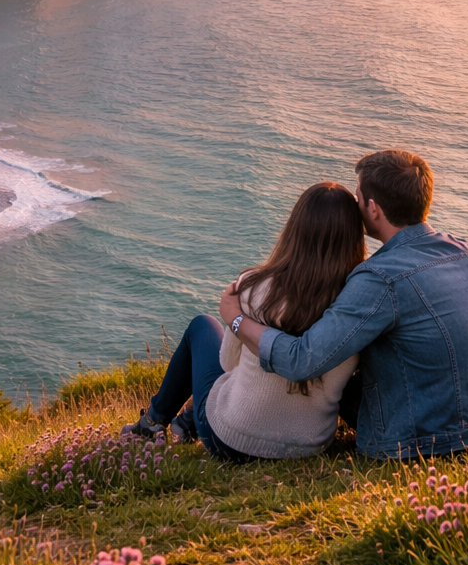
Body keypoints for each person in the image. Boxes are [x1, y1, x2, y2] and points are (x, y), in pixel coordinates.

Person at [220, 149, 468, 460]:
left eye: (357, 196)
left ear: (374, 208)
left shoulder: (380, 278)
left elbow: (303, 361)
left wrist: (236, 319)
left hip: (428, 440)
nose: (355, 204)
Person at [122, 182, 365, 459]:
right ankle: (184, 422)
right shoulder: (354, 307)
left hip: (230, 440)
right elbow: (336, 387)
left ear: (295, 229)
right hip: (308, 445)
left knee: (202, 325)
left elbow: (227, 363)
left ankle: (152, 424)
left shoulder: (252, 285)